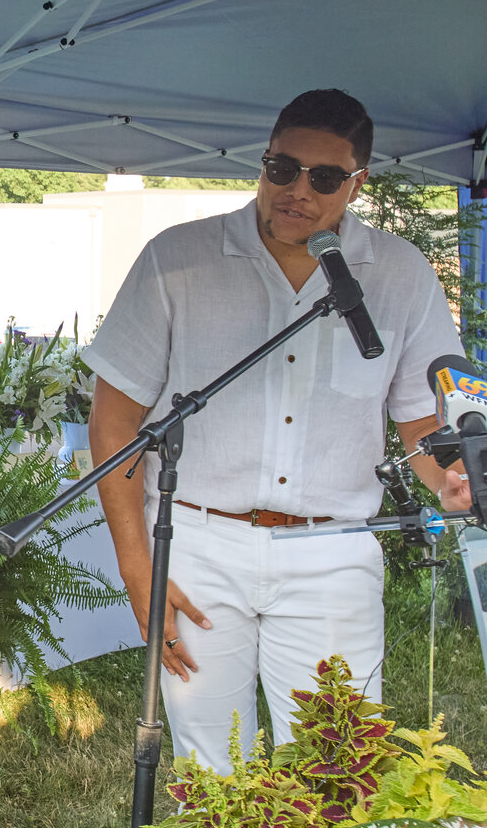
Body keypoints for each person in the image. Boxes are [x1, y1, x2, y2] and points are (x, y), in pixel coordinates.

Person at [83, 89, 470, 774]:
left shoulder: (400, 274)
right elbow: (116, 425)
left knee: (335, 765)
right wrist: (138, 566)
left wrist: (453, 482)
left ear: (358, 182)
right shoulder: (178, 258)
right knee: (210, 765)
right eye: (281, 168)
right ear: (262, 162)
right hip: (199, 542)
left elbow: (417, 419)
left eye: (324, 178)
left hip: (333, 550)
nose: (297, 191)